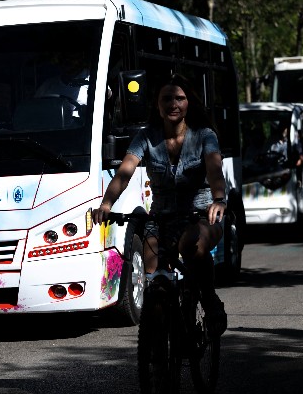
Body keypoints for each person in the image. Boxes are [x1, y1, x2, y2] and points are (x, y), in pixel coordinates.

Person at [91, 74, 227, 333]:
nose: (173, 104)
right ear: (157, 104)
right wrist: (106, 204)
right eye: (167, 99)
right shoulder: (146, 137)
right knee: (154, 274)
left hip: (202, 215)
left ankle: (209, 300)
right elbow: (124, 172)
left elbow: (214, 169)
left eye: (180, 98)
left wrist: (218, 200)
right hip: (162, 218)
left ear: (188, 103)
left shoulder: (204, 135)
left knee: (191, 245)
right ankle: (158, 339)